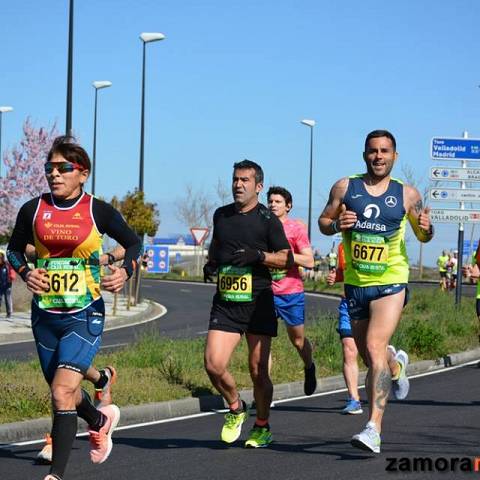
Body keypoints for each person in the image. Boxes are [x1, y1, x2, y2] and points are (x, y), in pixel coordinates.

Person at [7, 136, 141, 480]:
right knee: (64, 390)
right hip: (46, 316)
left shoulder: (97, 210)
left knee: (61, 391)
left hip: (84, 313)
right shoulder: (33, 209)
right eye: (49, 167)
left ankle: (56, 475)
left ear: (82, 174)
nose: (54, 174)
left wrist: (125, 271)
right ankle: (99, 420)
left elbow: (133, 243)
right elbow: (13, 250)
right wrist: (26, 272)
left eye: (63, 168)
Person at [319, 129, 433, 453]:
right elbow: (324, 221)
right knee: (373, 355)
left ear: (395, 156)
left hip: (391, 282)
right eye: (373, 151)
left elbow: (423, 234)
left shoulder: (407, 195)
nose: (378, 156)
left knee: (371, 345)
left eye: (385, 151)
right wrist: (335, 224)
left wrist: (427, 229)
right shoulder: (345, 187)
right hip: (356, 284)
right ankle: (396, 366)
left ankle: (373, 429)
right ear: (364, 154)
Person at [203, 160, 292, 448]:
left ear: (258, 186)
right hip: (227, 301)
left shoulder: (268, 220)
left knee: (258, 370)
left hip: (259, 301)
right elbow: (216, 249)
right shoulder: (221, 215)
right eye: (235, 180)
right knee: (214, 365)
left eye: (244, 180)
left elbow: (285, 258)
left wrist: (258, 256)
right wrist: (211, 265)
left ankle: (262, 426)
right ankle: (235, 407)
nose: (238, 185)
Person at [327, 242, 407, 415]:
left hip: (378, 300)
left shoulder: (381, 236)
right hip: (350, 301)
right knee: (349, 349)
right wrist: (336, 277)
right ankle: (354, 399)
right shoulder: (343, 245)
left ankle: (395, 366)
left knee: (371, 356)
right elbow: (344, 272)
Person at [267, 186, 316, 395]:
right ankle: (264, 391)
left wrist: (287, 257)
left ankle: (309, 366)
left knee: (297, 340)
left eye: (278, 202)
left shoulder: (295, 229)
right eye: (270, 201)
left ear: (288, 206)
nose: (273, 205)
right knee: (263, 343)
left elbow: (310, 260)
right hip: (265, 293)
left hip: (290, 292)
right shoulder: (261, 226)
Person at [0, 251, 15, 317]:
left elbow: (12, 271)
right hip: (0, 284)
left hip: (7, 283)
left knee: (7, 298)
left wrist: (12, 277)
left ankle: (9, 313)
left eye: (0, 257)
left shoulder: (7, 264)